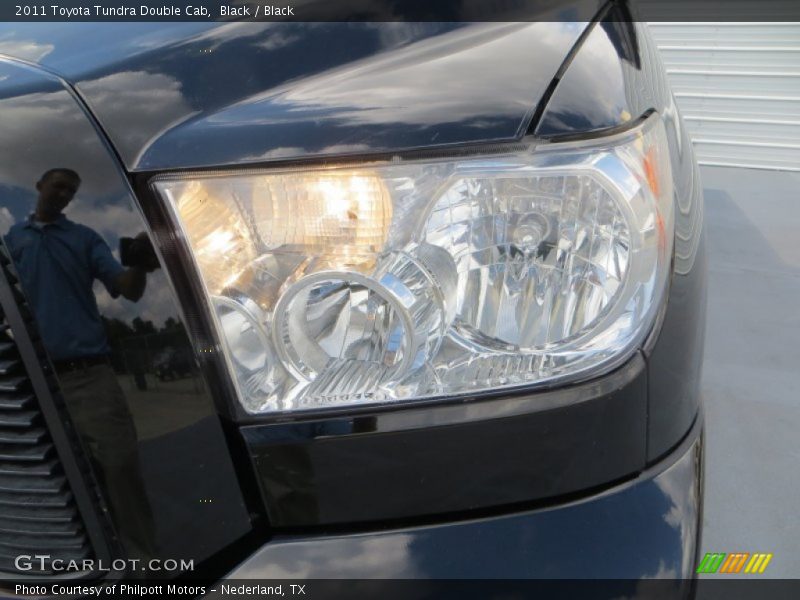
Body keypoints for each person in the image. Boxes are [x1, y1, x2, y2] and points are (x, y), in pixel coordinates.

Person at [3, 168, 157, 557]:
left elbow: (128, 292)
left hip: (89, 376)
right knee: (63, 481)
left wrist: (140, 264)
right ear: (38, 185)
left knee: (120, 470)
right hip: (34, 380)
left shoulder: (84, 238)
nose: (64, 194)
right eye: (59, 186)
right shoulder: (11, 242)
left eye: (71, 190)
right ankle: (90, 566)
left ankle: (147, 574)